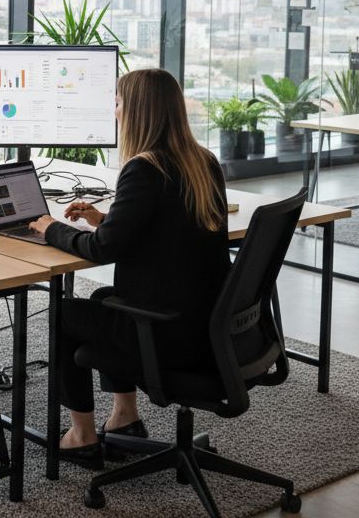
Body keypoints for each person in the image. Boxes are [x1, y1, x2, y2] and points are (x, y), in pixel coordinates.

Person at [28, 68, 230, 470]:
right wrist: (107, 217)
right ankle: (126, 418)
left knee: (63, 314)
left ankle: (81, 437)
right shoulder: (202, 161)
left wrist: (52, 228)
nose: (115, 111)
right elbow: (168, 228)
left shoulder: (145, 169)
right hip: (209, 327)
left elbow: (102, 251)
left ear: (137, 111)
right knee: (105, 298)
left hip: (169, 335)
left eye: (119, 102)